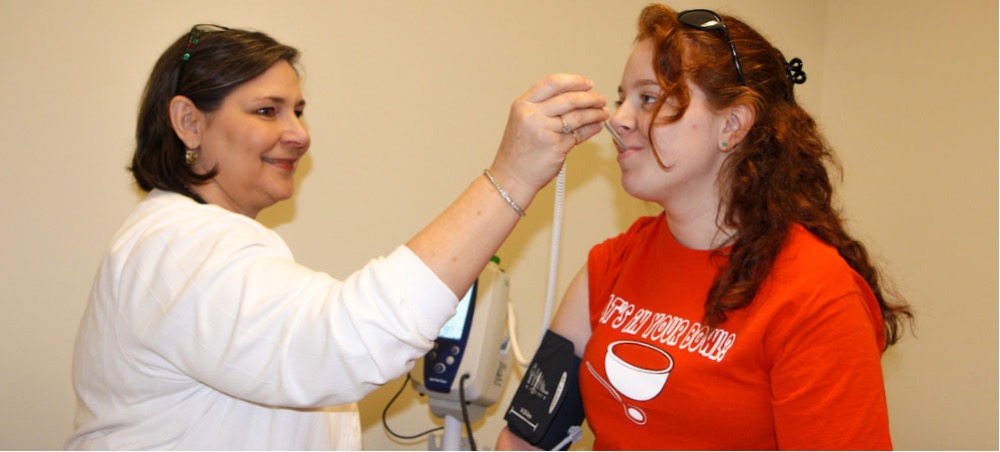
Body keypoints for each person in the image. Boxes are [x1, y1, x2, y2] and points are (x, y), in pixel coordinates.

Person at [66, 24, 609, 450]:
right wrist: (510, 178)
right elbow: (344, 342)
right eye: (266, 111)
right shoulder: (179, 247)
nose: (299, 135)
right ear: (188, 122)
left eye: (298, 111)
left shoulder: (200, 244)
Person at [497, 4, 913, 450]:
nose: (618, 121)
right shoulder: (613, 263)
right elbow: (524, 438)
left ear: (731, 125)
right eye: (623, 99)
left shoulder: (816, 296)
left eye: (649, 98)